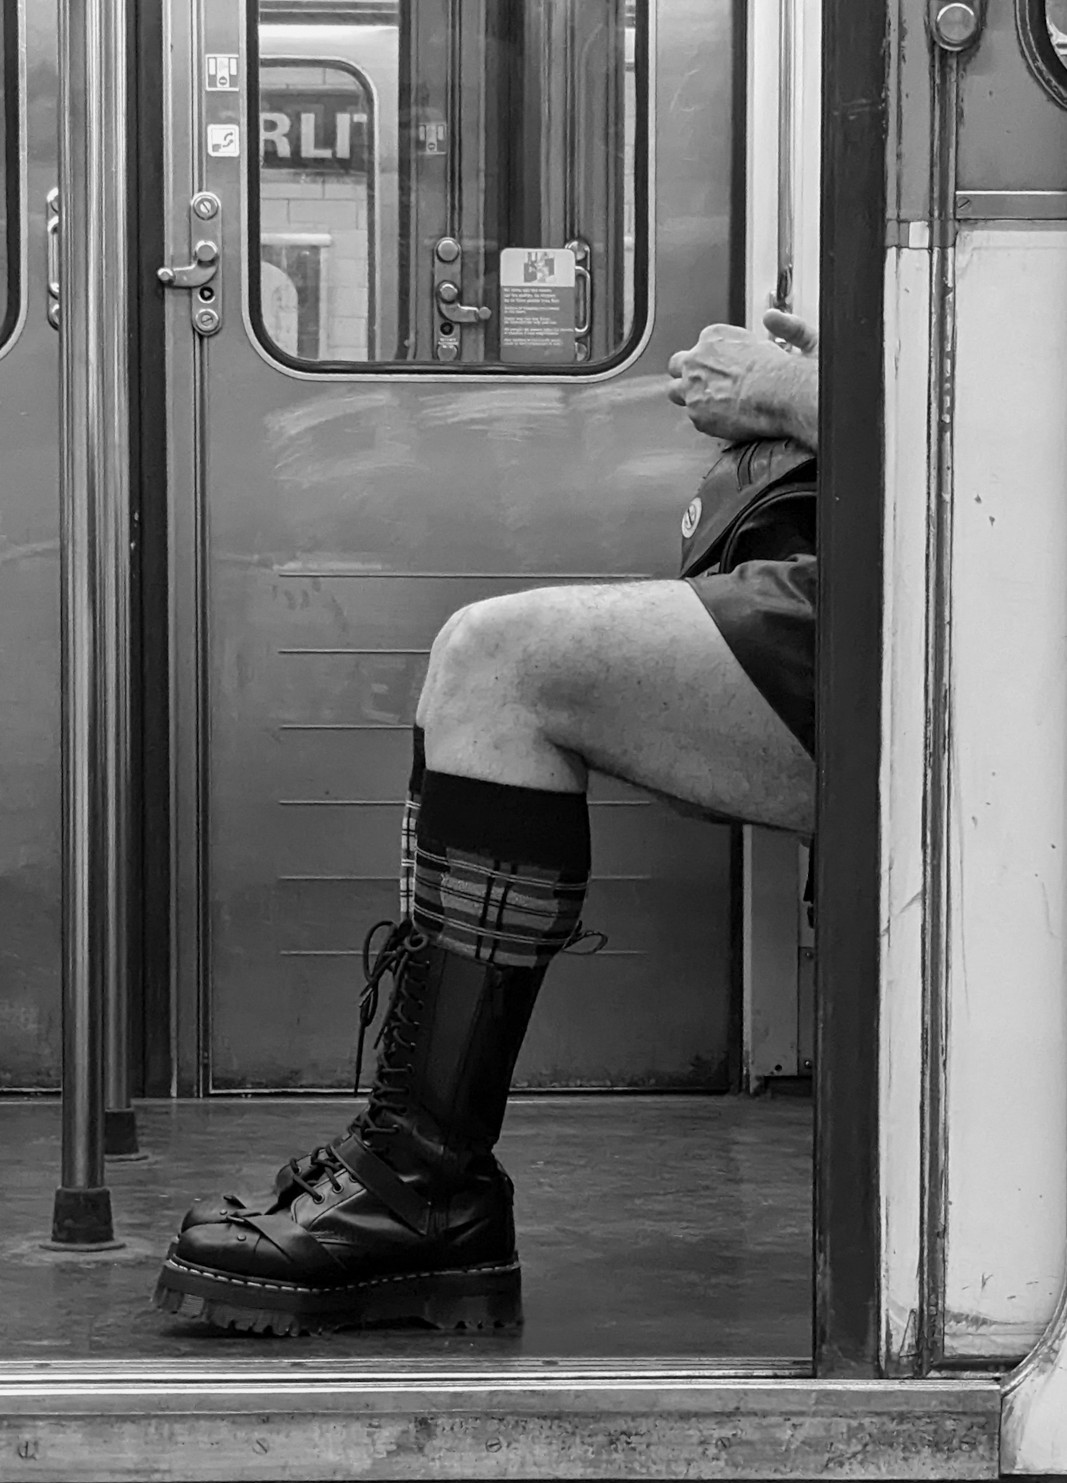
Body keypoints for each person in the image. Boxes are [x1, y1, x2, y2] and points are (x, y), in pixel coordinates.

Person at [153, 307, 820, 1335]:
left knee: (496, 664)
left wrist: (781, 390)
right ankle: (421, 1175)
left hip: (940, 619)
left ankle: (421, 1182)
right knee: (489, 665)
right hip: (887, 595)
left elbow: (976, 443)